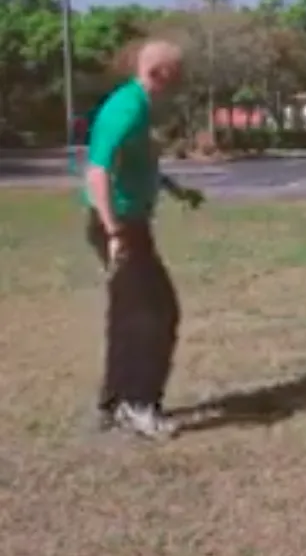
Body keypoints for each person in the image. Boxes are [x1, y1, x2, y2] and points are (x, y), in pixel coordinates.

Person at [83, 39, 201, 439]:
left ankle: (115, 403)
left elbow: (141, 164)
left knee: (128, 314)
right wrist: (115, 232)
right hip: (120, 226)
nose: (181, 79)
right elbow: (97, 172)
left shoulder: (139, 105)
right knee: (156, 313)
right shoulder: (127, 108)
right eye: (177, 71)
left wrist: (175, 189)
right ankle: (138, 404)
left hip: (130, 223)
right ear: (158, 73)